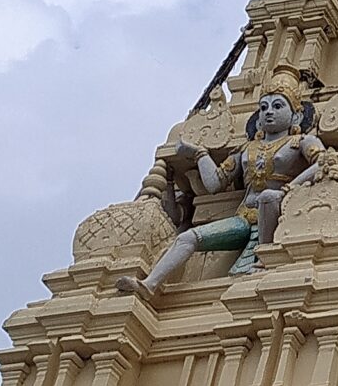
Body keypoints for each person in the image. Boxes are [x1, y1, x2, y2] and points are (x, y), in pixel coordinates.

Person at [118, 85, 323, 293]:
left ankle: (264, 259)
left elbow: (322, 163)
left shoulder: (301, 142)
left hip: (278, 213)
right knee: (187, 237)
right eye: (263, 107)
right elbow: (215, 183)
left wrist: (288, 189)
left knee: (268, 197)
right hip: (243, 219)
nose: (269, 111)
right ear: (258, 118)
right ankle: (148, 285)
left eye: (278, 106)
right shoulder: (246, 149)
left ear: (296, 116)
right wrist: (199, 154)